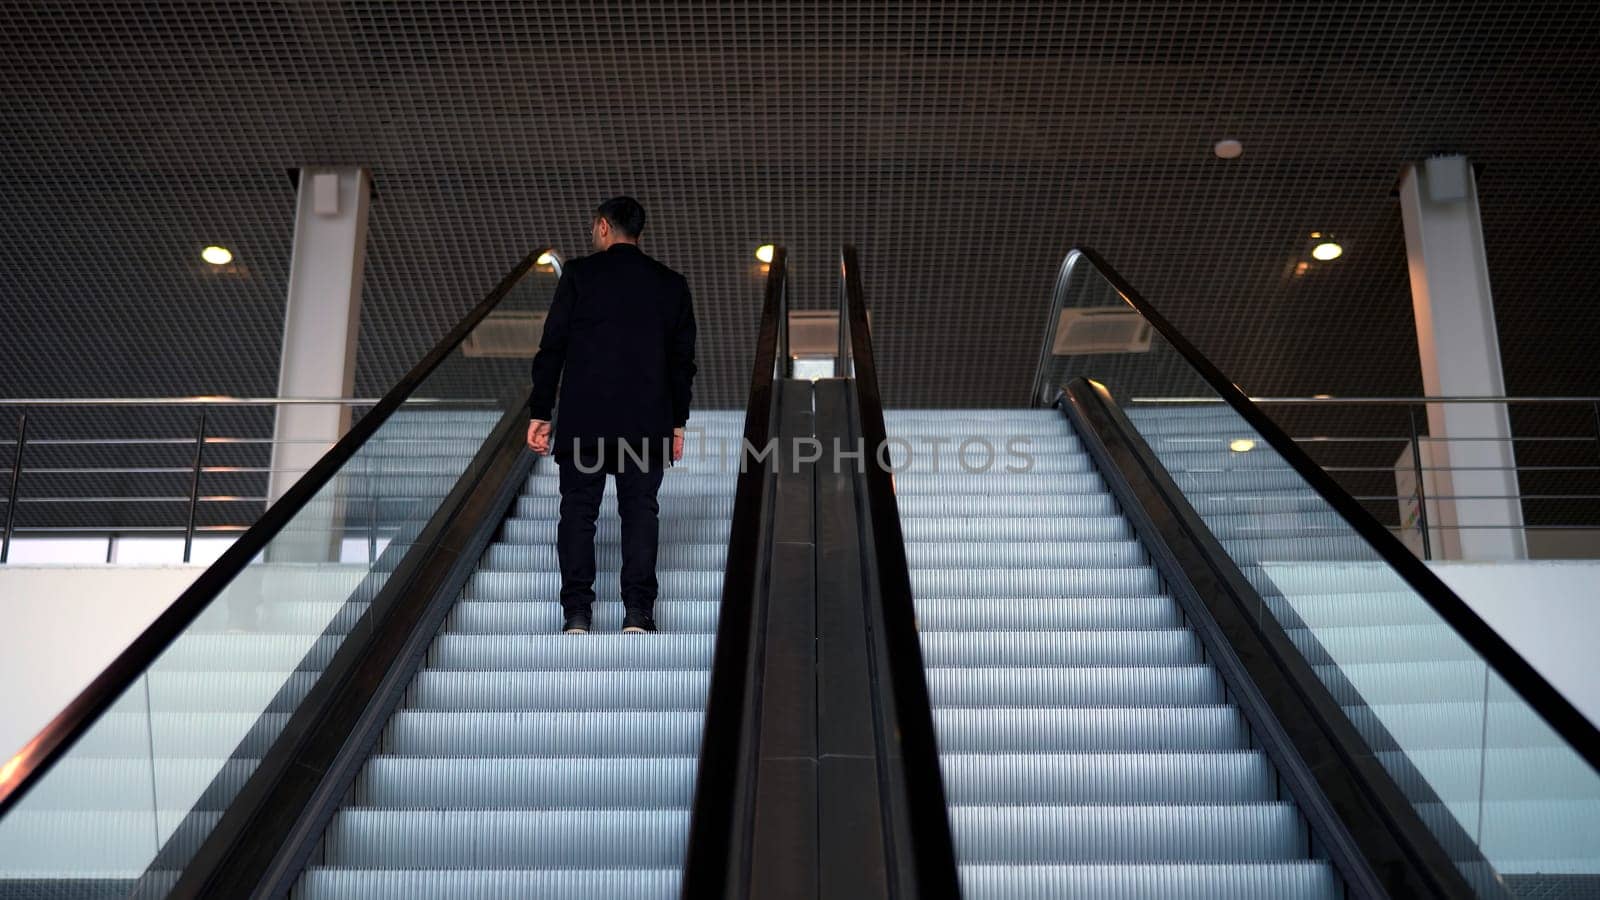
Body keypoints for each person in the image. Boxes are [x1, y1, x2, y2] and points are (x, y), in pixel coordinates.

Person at [526, 197, 697, 634]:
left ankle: (577, 614)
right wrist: (678, 422)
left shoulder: (580, 276)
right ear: (638, 232)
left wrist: (541, 411)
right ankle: (638, 613)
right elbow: (682, 363)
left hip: (586, 420)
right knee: (640, 511)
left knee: (578, 512)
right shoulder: (671, 284)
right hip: (647, 423)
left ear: (603, 227)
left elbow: (553, 347)